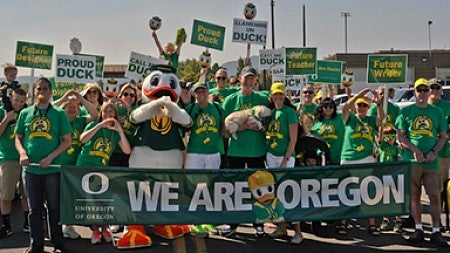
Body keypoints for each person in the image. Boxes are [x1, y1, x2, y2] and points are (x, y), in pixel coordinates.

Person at [15, 77, 72, 253]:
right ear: (34, 91)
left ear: (51, 91)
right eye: (39, 88)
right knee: (34, 209)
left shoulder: (58, 113)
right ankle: (36, 244)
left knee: (54, 207)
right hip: (31, 170)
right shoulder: (25, 113)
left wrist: (50, 157)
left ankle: (57, 243)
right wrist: (23, 153)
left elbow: (67, 141)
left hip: (52, 170)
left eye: (46, 89)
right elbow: (18, 138)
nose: (42, 92)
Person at [397, 78, 448, 247]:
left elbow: (442, 137)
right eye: (420, 90)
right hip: (412, 161)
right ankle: (418, 229)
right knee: (414, 197)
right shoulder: (406, 111)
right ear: (415, 92)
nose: (423, 93)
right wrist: (414, 150)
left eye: (426, 90)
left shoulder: (437, 112)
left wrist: (434, 151)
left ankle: (435, 231)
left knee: (434, 197)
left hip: (431, 163)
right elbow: (401, 136)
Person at [222, 66, 269, 237]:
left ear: (255, 80)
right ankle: (233, 223)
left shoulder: (262, 98)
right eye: (246, 78)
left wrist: (259, 128)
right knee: (237, 189)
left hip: (257, 151)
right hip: (236, 153)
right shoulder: (230, 100)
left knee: (259, 188)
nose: (249, 82)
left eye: (252, 78)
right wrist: (240, 128)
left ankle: (258, 223)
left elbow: (272, 125)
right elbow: (223, 130)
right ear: (240, 79)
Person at [76, 102, 131, 245]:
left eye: (111, 112)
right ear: (101, 114)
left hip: (102, 168)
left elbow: (126, 150)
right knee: (91, 201)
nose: (108, 114)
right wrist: (99, 125)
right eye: (105, 111)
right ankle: (95, 230)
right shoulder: (93, 125)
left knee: (103, 200)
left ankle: (105, 228)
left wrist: (120, 131)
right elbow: (82, 139)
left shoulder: (114, 133)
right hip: (86, 166)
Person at [54, 89, 99, 239]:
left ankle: (68, 226)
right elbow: (46, 108)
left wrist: (81, 98)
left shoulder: (80, 121)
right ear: (64, 108)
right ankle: (56, 228)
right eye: (69, 106)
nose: (72, 109)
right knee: (56, 198)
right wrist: (64, 97)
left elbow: (95, 115)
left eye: (75, 107)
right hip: (58, 164)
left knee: (70, 197)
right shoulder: (58, 119)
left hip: (74, 167)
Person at [340, 88, 383, 236]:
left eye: (365, 106)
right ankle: (344, 222)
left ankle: (371, 224)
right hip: (348, 157)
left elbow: (381, 119)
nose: (362, 108)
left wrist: (378, 104)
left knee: (367, 190)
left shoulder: (371, 120)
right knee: (346, 191)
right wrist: (359, 94)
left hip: (366, 157)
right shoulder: (350, 118)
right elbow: (345, 107)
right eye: (359, 105)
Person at [265, 82, 303, 244]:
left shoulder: (290, 112)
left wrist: (285, 160)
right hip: (271, 156)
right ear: (271, 96)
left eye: (281, 94)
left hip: (285, 158)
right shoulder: (271, 113)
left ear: (285, 96)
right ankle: (281, 227)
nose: (278, 97)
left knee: (288, 194)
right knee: (274, 195)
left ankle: (298, 232)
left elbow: (293, 139)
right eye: (276, 94)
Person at [0, 88, 29, 238]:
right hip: (8, 158)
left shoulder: (26, 112)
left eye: (22, 101)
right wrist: (6, 118)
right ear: (11, 97)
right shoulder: (2, 111)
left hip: (25, 157)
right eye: (16, 100)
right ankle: (6, 225)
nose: (18, 103)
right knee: (6, 194)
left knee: (26, 193)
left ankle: (27, 222)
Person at [184, 82, 224, 169]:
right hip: (194, 151)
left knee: (211, 181)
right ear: (194, 95)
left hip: (213, 152)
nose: (201, 94)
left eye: (203, 91)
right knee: (191, 180)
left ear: (208, 92)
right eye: (198, 92)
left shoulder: (217, 107)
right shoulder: (190, 108)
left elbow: (224, 122)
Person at [427, 78, 450, 221]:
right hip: (424, 154)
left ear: (441, 90)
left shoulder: (447, 106)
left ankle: (440, 220)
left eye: (437, 88)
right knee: (429, 189)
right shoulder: (422, 106)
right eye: (432, 88)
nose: (434, 91)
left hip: (442, 154)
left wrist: (444, 136)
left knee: (441, 188)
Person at [377, 124, 403, 233]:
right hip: (384, 175)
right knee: (385, 199)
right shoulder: (383, 146)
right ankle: (385, 220)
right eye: (387, 136)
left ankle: (398, 221)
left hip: (395, 176)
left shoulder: (397, 148)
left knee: (396, 199)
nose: (390, 138)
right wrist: (381, 130)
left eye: (392, 136)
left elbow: (400, 160)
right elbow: (379, 140)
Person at [109, 83, 138, 167]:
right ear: (120, 96)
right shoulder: (115, 109)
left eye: (132, 95)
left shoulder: (137, 110)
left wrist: (128, 108)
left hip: (130, 151)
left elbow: (135, 124)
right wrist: (110, 103)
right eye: (125, 94)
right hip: (114, 150)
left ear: (135, 98)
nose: (128, 97)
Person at [312, 98, 345, 165]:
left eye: (331, 106)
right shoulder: (316, 122)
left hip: (339, 157)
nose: (328, 108)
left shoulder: (340, 118)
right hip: (323, 158)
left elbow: (350, 110)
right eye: (325, 106)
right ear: (321, 108)